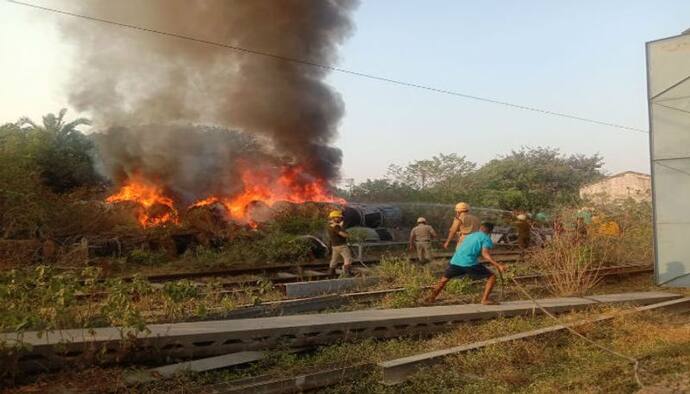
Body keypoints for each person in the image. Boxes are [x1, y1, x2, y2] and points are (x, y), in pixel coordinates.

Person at [426, 222, 507, 305]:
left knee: (443, 280)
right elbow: (485, 254)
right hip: (469, 263)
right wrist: (498, 265)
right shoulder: (486, 238)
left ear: (480, 228)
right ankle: (484, 300)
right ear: (490, 231)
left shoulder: (470, 235)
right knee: (492, 276)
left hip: (455, 260)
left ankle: (431, 298)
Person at [327, 210, 352, 276]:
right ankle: (347, 272)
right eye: (338, 217)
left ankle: (331, 273)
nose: (340, 218)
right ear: (334, 218)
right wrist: (347, 234)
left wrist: (340, 226)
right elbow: (343, 234)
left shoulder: (329, 226)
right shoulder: (336, 227)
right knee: (348, 258)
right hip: (342, 246)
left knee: (334, 260)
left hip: (334, 246)